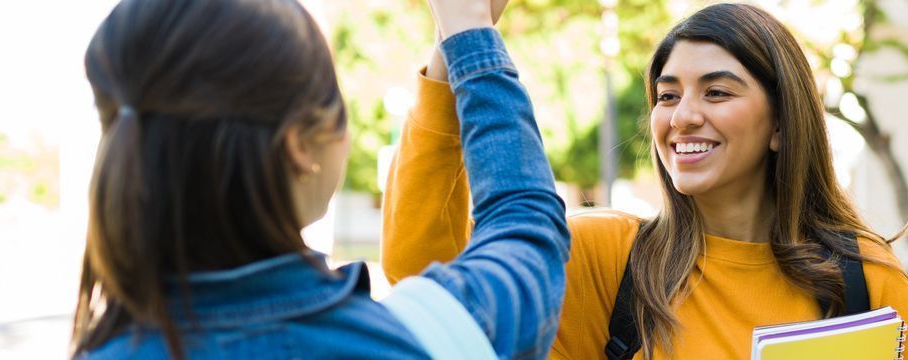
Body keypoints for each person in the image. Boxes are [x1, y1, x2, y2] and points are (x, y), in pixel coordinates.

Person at [382, 3, 908, 359]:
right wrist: (455, 40)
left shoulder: (865, 283)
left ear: (780, 124)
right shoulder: (603, 258)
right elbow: (427, 269)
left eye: (716, 92)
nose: (682, 116)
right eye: (668, 95)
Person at [70, 0, 568, 358]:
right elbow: (526, 228)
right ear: (299, 145)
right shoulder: (414, 340)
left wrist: (449, 46)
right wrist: (471, 37)